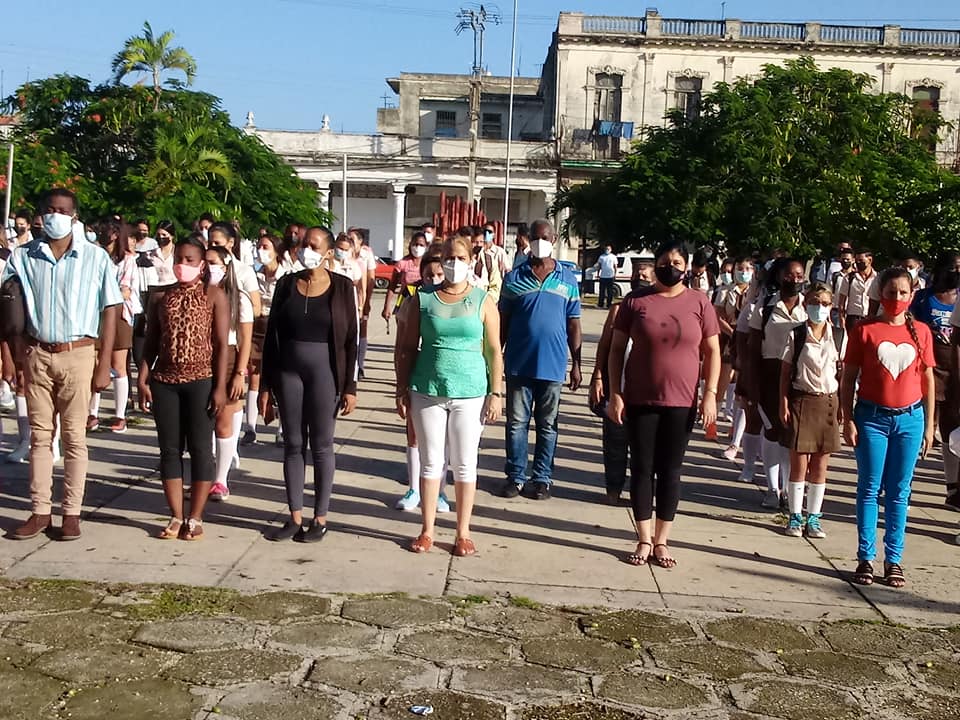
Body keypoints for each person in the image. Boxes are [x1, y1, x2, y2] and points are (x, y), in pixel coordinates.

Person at [3, 188, 123, 541]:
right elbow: (7, 306)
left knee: (74, 438)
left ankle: (71, 513)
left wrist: (105, 363)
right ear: (42, 214)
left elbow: (111, 308)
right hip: (37, 352)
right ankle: (40, 511)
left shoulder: (95, 257)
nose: (55, 215)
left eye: (63, 210)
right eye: (50, 210)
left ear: (74, 215)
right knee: (40, 438)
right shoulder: (24, 256)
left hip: (79, 352)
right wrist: (12, 358)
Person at [607, 240, 721, 567]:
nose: (669, 266)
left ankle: (662, 540)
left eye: (676, 262)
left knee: (670, 471)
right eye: (663, 261)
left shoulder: (699, 303)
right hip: (641, 398)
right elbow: (616, 350)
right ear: (654, 265)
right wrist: (616, 392)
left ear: (686, 267)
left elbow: (712, 352)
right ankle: (643, 538)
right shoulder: (635, 302)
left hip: (682, 401)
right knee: (642, 469)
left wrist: (710, 394)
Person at [395, 235, 503, 555]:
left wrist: (496, 392)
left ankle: (463, 532)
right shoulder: (423, 299)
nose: (453, 264)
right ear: (440, 262)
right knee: (431, 463)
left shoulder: (484, 301)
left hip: (470, 392)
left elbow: (494, 350)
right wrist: (402, 388)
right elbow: (406, 347)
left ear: (471, 262)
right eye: (448, 258)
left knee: (465, 464)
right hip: (427, 389)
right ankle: (427, 530)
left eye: (460, 258)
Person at [261, 227, 359, 542]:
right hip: (289, 372)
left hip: (325, 373)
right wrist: (266, 385)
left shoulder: (342, 288)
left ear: (329, 252)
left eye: (314, 245)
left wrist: (350, 386)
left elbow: (351, 340)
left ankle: (320, 518)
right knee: (292, 443)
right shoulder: (287, 285)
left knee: (321, 444)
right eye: (304, 244)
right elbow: (271, 337)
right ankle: (294, 516)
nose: (307, 250)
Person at [841, 267, 935, 589]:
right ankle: (865, 556)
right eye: (891, 292)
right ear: (881, 293)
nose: (897, 298)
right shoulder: (865, 330)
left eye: (903, 293)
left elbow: (927, 379)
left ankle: (893, 560)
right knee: (869, 488)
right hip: (872, 418)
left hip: (910, 419)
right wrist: (847, 417)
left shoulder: (921, 331)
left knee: (899, 491)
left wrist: (929, 425)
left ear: (912, 295)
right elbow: (849, 377)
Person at [138, 235, 229, 540]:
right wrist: (143, 376)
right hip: (165, 381)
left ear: (202, 265)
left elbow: (220, 345)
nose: (182, 265)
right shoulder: (161, 297)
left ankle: (196, 516)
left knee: (202, 450)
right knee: (170, 450)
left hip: (201, 381)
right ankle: (176, 515)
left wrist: (220, 387)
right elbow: (150, 342)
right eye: (179, 259)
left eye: (190, 260)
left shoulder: (213, 295)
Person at [499, 219, 582, 500]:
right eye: (535, 237)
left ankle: (543, 478)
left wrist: (577, 364)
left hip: (553, 365)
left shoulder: (568, 280)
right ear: (527, 239)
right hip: (519, 364)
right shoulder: (513, 279)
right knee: (516, 424)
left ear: (554, 239)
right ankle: (515, 477)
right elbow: (503, 323)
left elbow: (574, 325)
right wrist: (495, 359)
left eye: (544, 237)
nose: (539, 241)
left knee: (547, 425)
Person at [778, 284, 845, 539]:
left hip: (827, 401)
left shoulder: (838, 335)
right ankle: (795, 515)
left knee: (820, 463)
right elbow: (785, 374)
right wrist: (783, 402)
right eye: (815, 302)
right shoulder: (796, 335)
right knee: (799, 462)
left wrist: (842, 407)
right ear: (806, 305)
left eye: (825, 303)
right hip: (802, 400)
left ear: (831, 307)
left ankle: (814, 517)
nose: (820, 307)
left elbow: (844, 373)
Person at [393, 254, 452, 514]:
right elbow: (401, 347)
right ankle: (414, 488)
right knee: (415, 435)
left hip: (446, 376)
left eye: (439, 275)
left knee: (445, 439)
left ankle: (440, 491)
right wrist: (400, 386)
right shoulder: (410, 302)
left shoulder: (454, 302)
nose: (434, 280)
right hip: (418, 375)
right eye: (429, 275)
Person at [748, 259, 807, 509]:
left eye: (799, 275)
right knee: (773, 429)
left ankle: (791, 487)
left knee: (793, 436)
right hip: (770, 373)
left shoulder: (811, 305)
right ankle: (774, 489)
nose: (794, 280)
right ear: (779, 277)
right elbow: (752, 346)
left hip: (802, 374)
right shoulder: (765, 307)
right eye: (789, 275)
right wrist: (748, 380)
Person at [88, 222, 142, 433]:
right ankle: (92, 412)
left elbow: (125, 290)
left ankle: (120, 415)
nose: (104, 234)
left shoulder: (128, 260)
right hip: (97, 313)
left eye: (109, 231)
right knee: (95, 362)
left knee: (118, 365)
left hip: (120, 313)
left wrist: (106, 293)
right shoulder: (96, 256)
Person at [241, 234, 288, 446]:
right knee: (254, 376)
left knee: (280, 379)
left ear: (276, 251)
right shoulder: (254, 275)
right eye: (259, 246)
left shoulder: (287, 276)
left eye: (266, 247)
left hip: (279, 327)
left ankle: (282, 429)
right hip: (257, 327)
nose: (261, 250)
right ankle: (250, 427)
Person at [590, 302, 630, 504]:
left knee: (646, 452)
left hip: (648, 394)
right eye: (637, 274)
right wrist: (597, 375)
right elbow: (605, 346)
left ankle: (643, 495)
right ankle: (613, 490)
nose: (640, 279)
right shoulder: (618, 310)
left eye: (645, 276)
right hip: (617, 388)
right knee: (615, 442)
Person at [348, 227, 377, 377]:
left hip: (361, 299)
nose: (350, 242)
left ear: (360, 241)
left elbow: (369, 280)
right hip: (346, 301)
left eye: (353, 239)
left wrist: (366, 302)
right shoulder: (345, 256)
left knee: (361, 331)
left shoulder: (366, 255)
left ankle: (359, 364)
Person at [382, 233, 427, 322]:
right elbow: (392, 286)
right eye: (415, 244)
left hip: (423, 304)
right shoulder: (402, 263)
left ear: (426, 246)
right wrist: (387, 306)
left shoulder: (427, 264)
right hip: (404, 303)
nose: (418, 247)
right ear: (410, 245)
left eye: (421, 245)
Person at [838, 249, 879, 332]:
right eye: (856, 261)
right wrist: (842, 320)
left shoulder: (877, 278)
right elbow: (841, 302)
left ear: (870, 260)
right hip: (853, 318)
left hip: (870, 318)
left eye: (861, 260)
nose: (858, 263)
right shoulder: (849, 278)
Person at [469, 226, 503, 302]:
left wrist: (485, 301)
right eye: (475, 242)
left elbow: (495, 286)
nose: (478, 245)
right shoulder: (462, 260)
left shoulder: (489, 261)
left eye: (481, 242)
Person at [830, 247, 856, 328]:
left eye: (848, 259)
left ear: (853, 260)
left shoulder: (856, 277)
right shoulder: (836, 276)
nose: (845, 261)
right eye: (843, 259)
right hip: (836, 312)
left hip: (851, 313)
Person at [593, 245, 618, 309]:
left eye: (608, 249)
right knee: (602, 291)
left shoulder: (613, 257)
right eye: (606, 249)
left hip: (610, 276)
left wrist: (615, 274)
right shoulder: (601, 257)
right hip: (603, 276)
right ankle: (600, 304)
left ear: (611, 249)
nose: (607, 250)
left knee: (610, 291)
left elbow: (615, 266)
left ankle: (609, 305)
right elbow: (599, 266)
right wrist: (598, 274)